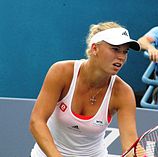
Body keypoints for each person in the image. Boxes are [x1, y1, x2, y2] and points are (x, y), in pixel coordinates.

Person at [29, 21, 141, 157]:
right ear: (94, 49)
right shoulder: (61, 72)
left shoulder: (123, 93)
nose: (121, 57)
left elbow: (130, 146)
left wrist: (138, 155)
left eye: (125, 52)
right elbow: (37, 121)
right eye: (115, 49)